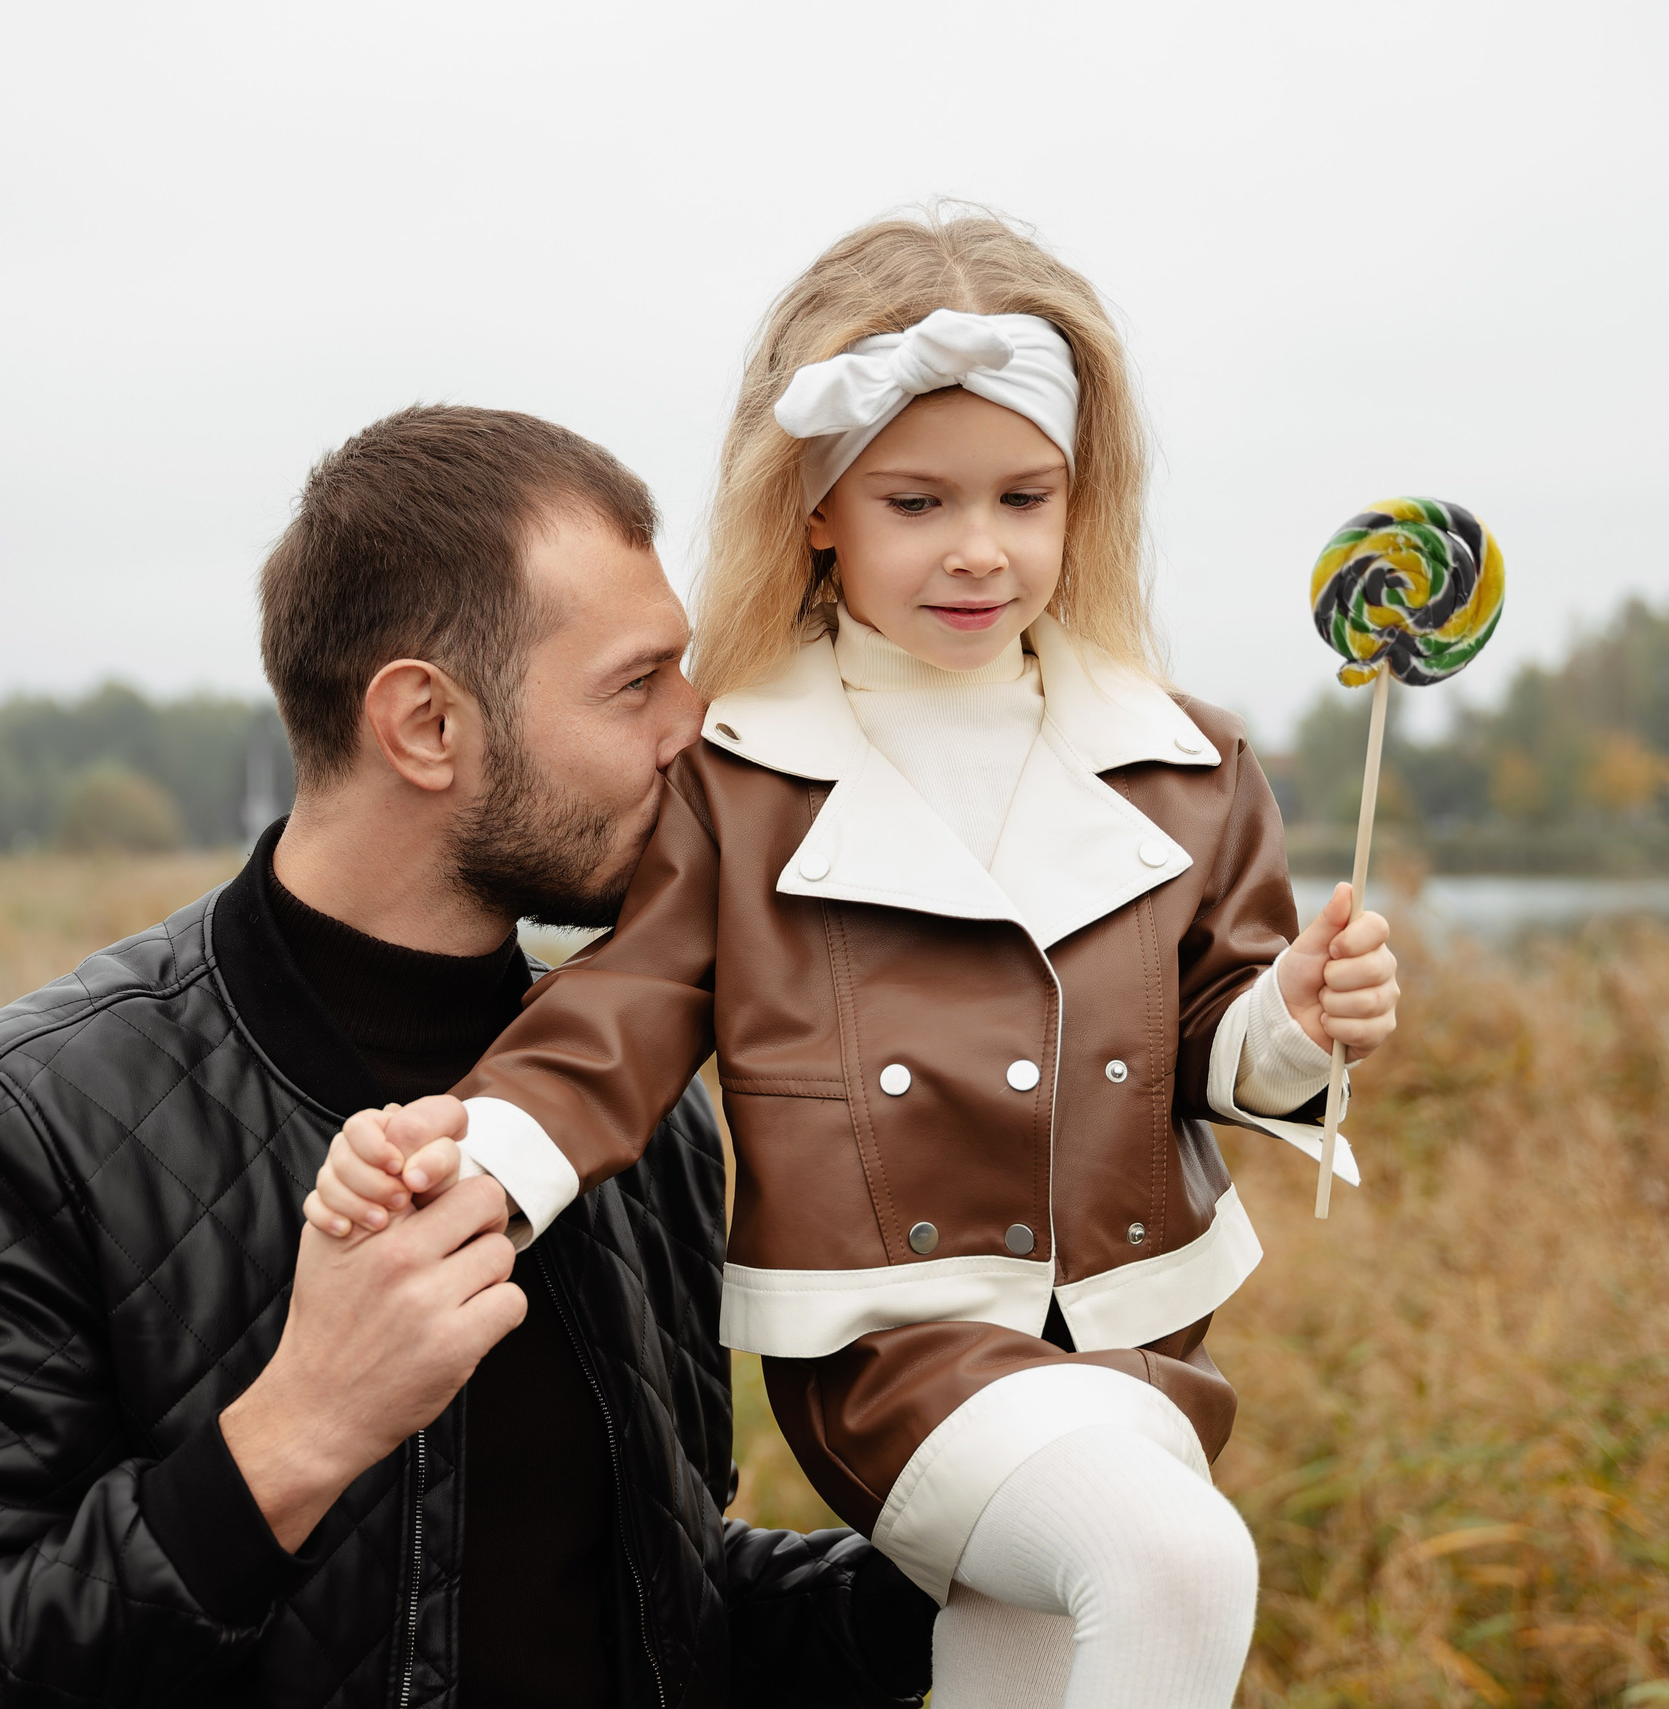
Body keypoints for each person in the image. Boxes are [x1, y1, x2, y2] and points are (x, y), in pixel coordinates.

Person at [307, 211, 1403, 1708]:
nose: (979, 547)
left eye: (1027, 495)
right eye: (915, 499)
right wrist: (473, 1159)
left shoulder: (1186, 760)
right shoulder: (747, 774)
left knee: (1037, 1648)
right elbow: (618, 1021)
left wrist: (1296, 1011)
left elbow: (1209, 1036)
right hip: (893, 1352)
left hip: (1138, 1339)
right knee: (1176, 1564)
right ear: (820, 505)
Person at [0, 404, 939, 1709]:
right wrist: (299, 1430)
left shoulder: (645, 1120)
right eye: (638, 683)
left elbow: (649, 1602)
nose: (697, 724)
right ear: (425, 727)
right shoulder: (17, 1129)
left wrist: (953, 1577)